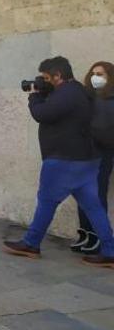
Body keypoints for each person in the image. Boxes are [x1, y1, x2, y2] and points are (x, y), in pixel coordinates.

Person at [3, 56, 114, 267]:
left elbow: (42, 114)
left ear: (58, 76)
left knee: (46, 201)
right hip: (85, 160)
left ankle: (31, 243)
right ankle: (110, 251)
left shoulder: (68, 93)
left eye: (46, 78)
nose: (44, 81)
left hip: (64, 160)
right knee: (94, 207)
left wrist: (34, 96)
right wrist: (46, 91)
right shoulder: (77, 91)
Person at [71, 61, 114, 255]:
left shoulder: (110, 100)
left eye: (101, 74)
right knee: (82, 195)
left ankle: (98, 236)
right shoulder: (87, 98)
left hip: (102, 154)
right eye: (94, 73)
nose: (96, 77)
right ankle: (86, 232)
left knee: (96, 196)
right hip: (83, 153)